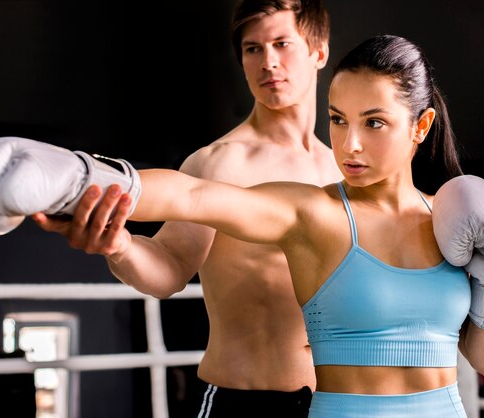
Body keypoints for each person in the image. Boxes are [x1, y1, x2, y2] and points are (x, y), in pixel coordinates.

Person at [33, 34, 484, 417]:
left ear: (421, 125)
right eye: (337, 119)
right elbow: (193, 194)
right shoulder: (312, 214)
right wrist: (82, 180)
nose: (349, 145)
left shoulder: (453, 220)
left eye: (373, 123)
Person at [34, 0, 342, 416]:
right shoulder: (219, 162)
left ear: (318, 51)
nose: (268, 62)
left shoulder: (344, 168)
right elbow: (169, 269)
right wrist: (120, 246)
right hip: (245, 403)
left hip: (340, 402)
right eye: (253, 49)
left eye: (282, 43)